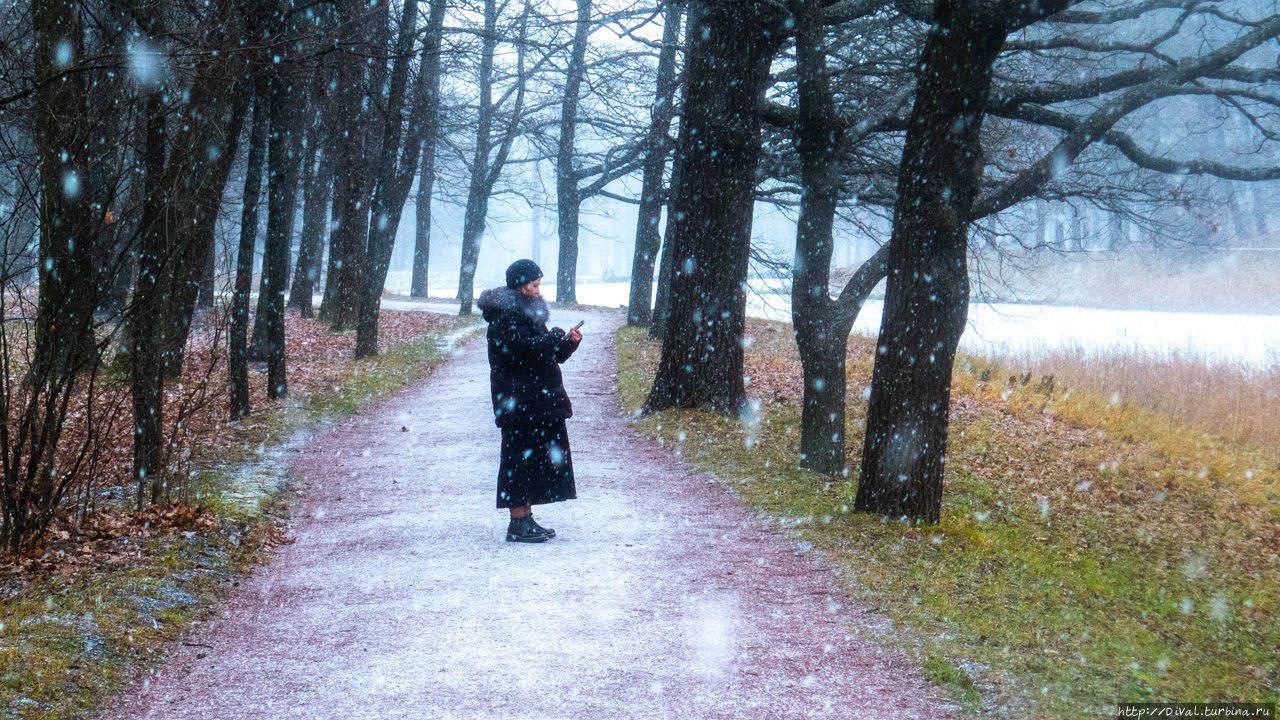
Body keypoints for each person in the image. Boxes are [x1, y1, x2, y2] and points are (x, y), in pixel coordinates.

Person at [476, 259, 583, 543]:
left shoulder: (528, 314)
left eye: (538, 285)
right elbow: (520, 351)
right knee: (517, 461)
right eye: (534, 285)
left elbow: (547, 354)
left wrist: (567, 343)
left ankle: (526, 518)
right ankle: (517, 522)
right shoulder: (504, 317)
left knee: (531, 460)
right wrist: (551, 339)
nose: (537, 290)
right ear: (520, 285)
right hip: (519, 402)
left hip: (533, 401)